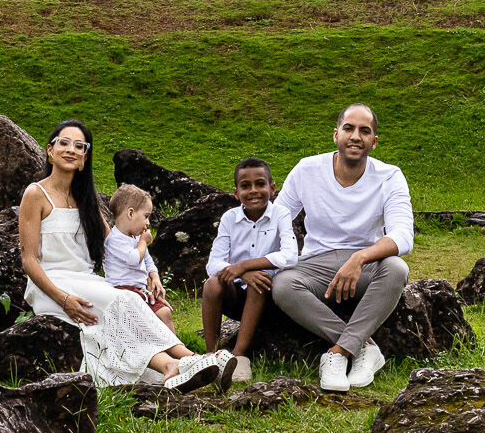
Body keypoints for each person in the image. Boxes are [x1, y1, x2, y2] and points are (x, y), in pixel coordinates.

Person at [18, 120, 229, 391]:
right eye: (64, 143)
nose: (71, 149)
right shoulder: (35, 194)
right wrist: (65, 299)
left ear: (85, 157)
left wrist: (151, 273)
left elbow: (115, 244)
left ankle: (180, 364)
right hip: (52, 283)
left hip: (86, 279)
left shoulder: (86, 198)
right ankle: (190, 360)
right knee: (120, 300)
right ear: (50, 150)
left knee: (128, 299)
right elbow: (29, 261)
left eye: (79, 146)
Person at [269, 104, 412, 392]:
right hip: (315, 264)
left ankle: (337, 353)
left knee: (397, 268)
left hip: (365, 266)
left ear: (374, 141)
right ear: (336, 135)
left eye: (365, 131)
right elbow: (276, 220)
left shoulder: (389, 176)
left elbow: (403, 237)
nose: (356, 136)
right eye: (349, 128)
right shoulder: (307, 169)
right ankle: (362, 348)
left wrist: (360, 258)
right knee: (283, 283)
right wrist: (255, 264)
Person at [200, 157, 297, 384]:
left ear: (272, 188)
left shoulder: (281, 214)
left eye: (260, 184)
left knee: (259, 281)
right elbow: (213, 263)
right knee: (212, 283)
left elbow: (290, 256)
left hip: (267, 297)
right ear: (236, 192)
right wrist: (241, 273)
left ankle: (239, 355)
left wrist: (246, 265)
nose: (253, 191)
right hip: (235, 296)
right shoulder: (229, 218)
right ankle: (211, 354)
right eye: (245, 186)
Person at [102, 183, 176, 332]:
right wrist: (143, 242)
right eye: (146, 216)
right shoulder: (115, 240)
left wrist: (154, 277)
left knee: (165, 312)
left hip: (139, 290)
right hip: (123, 291)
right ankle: (166, 350)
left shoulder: (135, 238)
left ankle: (177, 350)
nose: (148, 223)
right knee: (151, 319)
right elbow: (134, 259)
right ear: (130, 213)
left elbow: (146, 259)